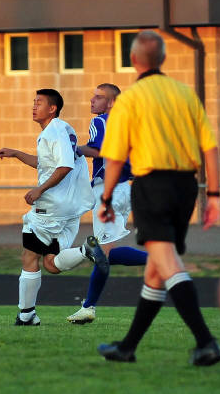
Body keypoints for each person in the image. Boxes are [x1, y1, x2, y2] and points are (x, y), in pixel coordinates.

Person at [96, 30, 220, 366]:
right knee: (155, 271)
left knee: (168, 265)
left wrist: (105, 200)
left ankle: (207, 342)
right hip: (186, 188)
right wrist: (213, 195)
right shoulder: (184, 93)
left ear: (133, 60)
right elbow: (210, 148)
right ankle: (127, 348)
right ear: (163, 58)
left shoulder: (130, 99)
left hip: (152, 187)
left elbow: (115, 158)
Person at [0, 88, 109, 326]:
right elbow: (48, 163)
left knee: (29, 256)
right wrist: (16, 153)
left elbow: (64, 166)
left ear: (52, 108)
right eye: (33, 102)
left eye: (39, 102)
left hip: (52, 206)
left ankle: (26, 315)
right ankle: (84, 251)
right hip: (70, 207)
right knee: (51, 263)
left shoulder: (54, 130)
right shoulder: (62, 129)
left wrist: (40, 189)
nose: (34, 106)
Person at [67, 84, 147, 324]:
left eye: (98, 97)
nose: (92, 100)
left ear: (111, 102)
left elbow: (96, 149)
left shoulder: (101, 121)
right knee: (103, 253)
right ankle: (88, 306)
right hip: (124, 190)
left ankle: (158, 260)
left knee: (103, 254)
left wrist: (72, 148)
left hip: (107, 191)